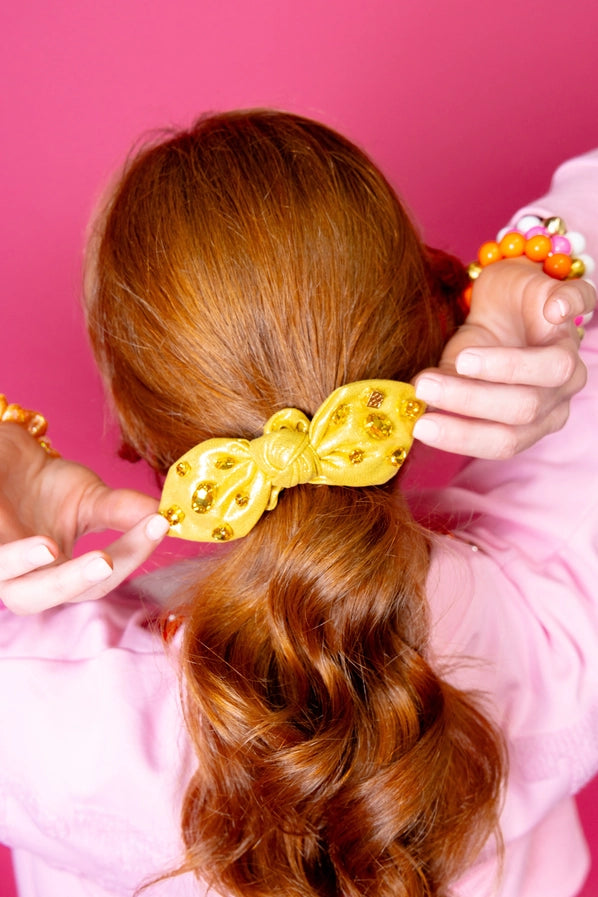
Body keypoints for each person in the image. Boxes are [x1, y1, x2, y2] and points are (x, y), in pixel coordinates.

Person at [0, 111, 595, 897]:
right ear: (435, 322)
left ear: (136, 429)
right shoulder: (554, 597)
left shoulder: (39, 710)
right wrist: (543, 275)